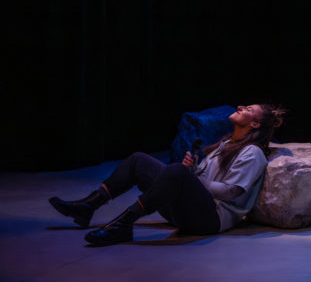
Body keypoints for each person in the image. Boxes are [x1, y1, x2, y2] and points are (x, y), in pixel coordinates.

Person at [49, 103, 285, 246]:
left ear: (255, 124)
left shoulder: (252, 153)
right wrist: (193, 171)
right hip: (191, 210)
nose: (241, 107)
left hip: (210, 219)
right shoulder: (225, 144)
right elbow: (204, 181)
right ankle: (88, 206)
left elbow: (231, 192)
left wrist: (190, 178)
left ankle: (123, 225)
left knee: (176, 170)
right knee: (139, 160)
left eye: (248, 109)